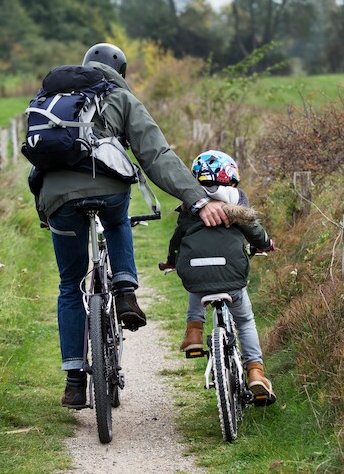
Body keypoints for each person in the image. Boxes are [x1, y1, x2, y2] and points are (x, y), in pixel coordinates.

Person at [35, 43, 230, 409]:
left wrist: (46, 214)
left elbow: (37, 157)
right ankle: (125, 288)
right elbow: (156, 156)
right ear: (120, 72)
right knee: (117, 218)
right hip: (107, 190)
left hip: (57, 198)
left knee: (68, 285)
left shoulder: (52, 98)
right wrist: (198, 198)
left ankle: (75, 383)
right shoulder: (120, 97)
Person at [158, 150, 278, 406]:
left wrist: (172, 260)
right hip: (232, 273)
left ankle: (194, 334)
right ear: (232, 177)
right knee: (244, 320)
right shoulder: (236, 201)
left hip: (195, 270)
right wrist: (267, 244)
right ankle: (255, 371)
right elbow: (254, 230)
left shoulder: (191, 205)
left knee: (197, 283)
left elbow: (177, 238)